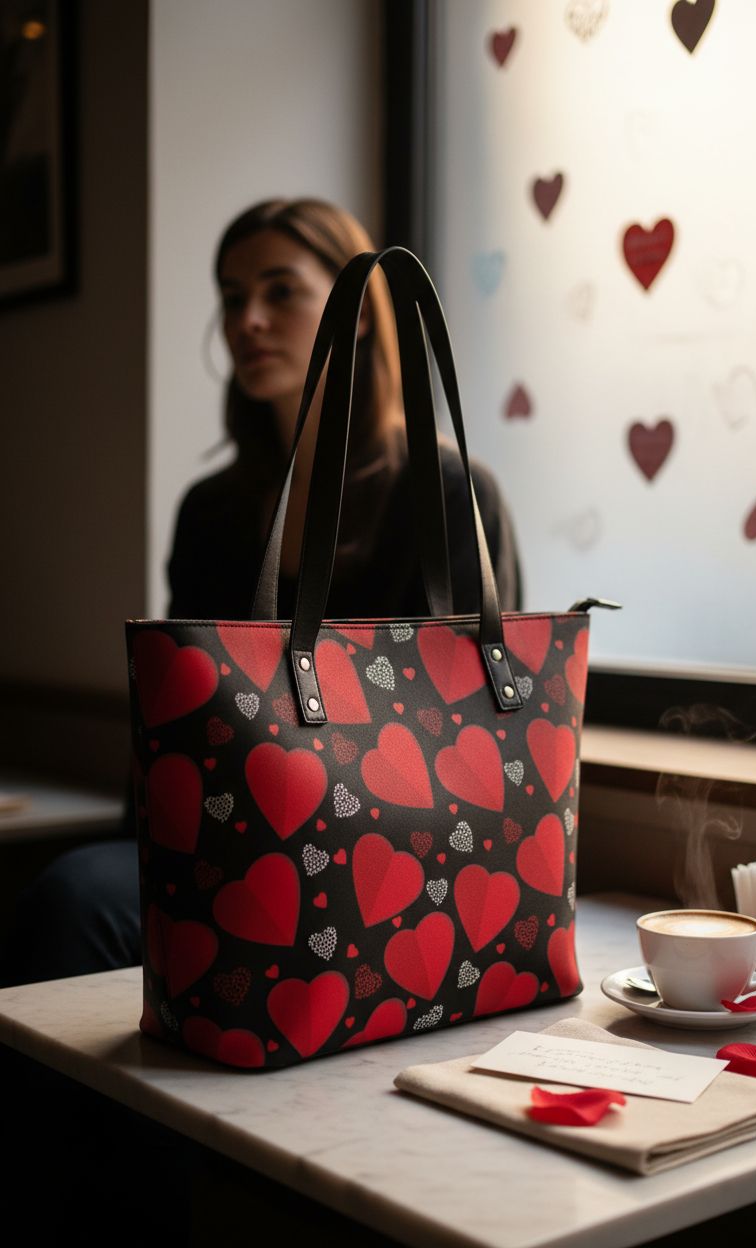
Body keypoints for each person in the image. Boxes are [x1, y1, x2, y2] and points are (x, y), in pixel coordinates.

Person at [0, 197, 524, 989]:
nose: (247, 319)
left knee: (76, 902)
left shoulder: (449, 493)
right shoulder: (212, 510)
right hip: (224, 832)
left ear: (355, 316)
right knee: (67, 894)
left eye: (281, 291)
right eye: (232, 295)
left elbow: (478, 720)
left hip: (396, 849)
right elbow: (180, 714)